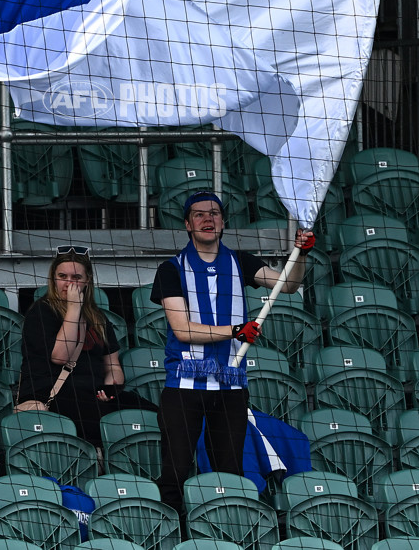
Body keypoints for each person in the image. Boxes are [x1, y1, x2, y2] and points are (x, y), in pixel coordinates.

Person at [151, 190, 314, 514]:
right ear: (187, 224)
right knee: (176, 471)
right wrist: (235, 331)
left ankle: (227, 531)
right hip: (185, 387)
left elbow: (289, 284)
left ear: (223, 221)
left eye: (214, 213)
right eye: (199, 214)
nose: (207, 219)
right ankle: (172, 533)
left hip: (230, 387)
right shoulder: (171, 269)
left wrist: (301, 254)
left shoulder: (240, 262)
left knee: (231, 472)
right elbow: (182, 330)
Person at [16, 247, 156, 446]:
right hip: (52, 391)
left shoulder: (97, 317)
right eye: (62, 276)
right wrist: (74, 309)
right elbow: (60, 357)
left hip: (93, 392)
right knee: (92, 417)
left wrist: (110, 390)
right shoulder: (41, 311)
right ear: (53, 278)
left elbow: (113, 365)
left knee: (153, 415)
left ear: (87, 280)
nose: (69, 283)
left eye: (76, 277)